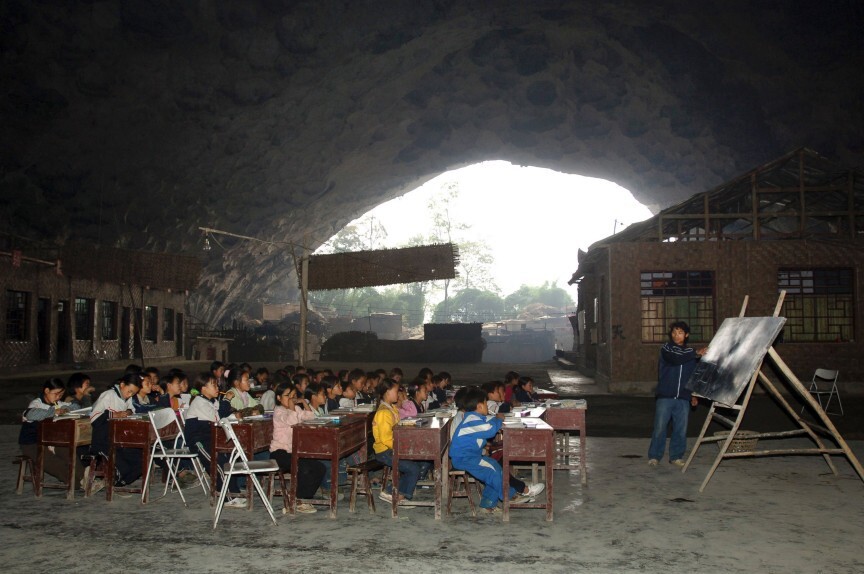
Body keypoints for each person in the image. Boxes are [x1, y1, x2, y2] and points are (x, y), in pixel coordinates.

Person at [449, 387, 544, 513]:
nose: (487, 406)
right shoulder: (471, 421)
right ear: (479, 406)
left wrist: (496, 418)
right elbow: (490, 429)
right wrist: (499, 420)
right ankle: (510, 496)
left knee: (496, 467)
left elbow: (488, 420)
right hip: (464, 458)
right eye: (485, 403)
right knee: (493, 470)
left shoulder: (474, 418)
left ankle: (487, 504)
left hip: (470, 456)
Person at [647, 321, 708, 468]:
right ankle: (654, 456)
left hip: (683, 397)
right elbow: (676, 358)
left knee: (681, 428)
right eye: (674, 332)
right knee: (660, 427)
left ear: (686, 335)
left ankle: (676, 456)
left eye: (680, 333)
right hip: (665, 396)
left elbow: (693, 375)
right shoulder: (667, 349)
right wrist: (696, 353)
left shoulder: (690, 354)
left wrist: (693, 395)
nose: (676, 335)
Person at [19, 378, 95, 492]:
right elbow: (29, 414)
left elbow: (78, 408)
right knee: (57, 465)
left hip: (52, 441)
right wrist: (53, 411)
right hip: (32, 444)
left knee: (67, 451)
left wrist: (67, 408)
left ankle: (86, 478)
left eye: (61, 394)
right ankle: (78, 482)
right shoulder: (37, 404)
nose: (58, 397)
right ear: (46, 391)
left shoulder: (59, 404)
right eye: (56, 394)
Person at [373, 379, 431, 506]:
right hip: (385, 451)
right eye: (396, 391)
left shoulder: (392, 408)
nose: (398, 394)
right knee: (413, 469)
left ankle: (400, 494)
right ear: (387, 392)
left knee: (420, 462)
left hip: (393, 447)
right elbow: (385, 438)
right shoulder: (383, 412)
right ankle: (390, 492)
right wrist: (401, 448)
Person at [269, 382, 324, 514]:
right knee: (303, 468)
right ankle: (298, 499)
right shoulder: (279, 411)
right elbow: (291, 421)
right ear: (279, 398)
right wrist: (293, 408)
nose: (291, 399)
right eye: (288, 396)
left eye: (293, 395)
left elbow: (311, 418)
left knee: (319, 467)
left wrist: (304, 403)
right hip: (279, 452)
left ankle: (303, 497)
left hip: (293, 451)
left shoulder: (295, 409)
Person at [90, 373, 141, 487]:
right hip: (104, 440)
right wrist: (113, 414)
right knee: (123, 464)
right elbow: (94, 417)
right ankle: (114, 483)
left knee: (139, 458)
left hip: (119, 439)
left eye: (133, 393)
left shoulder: (127, 398)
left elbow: (131, 409)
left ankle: (120, 483)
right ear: (122, 385)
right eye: (129, 391)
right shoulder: (108, 395)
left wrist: (128, 412)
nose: (130, 395)